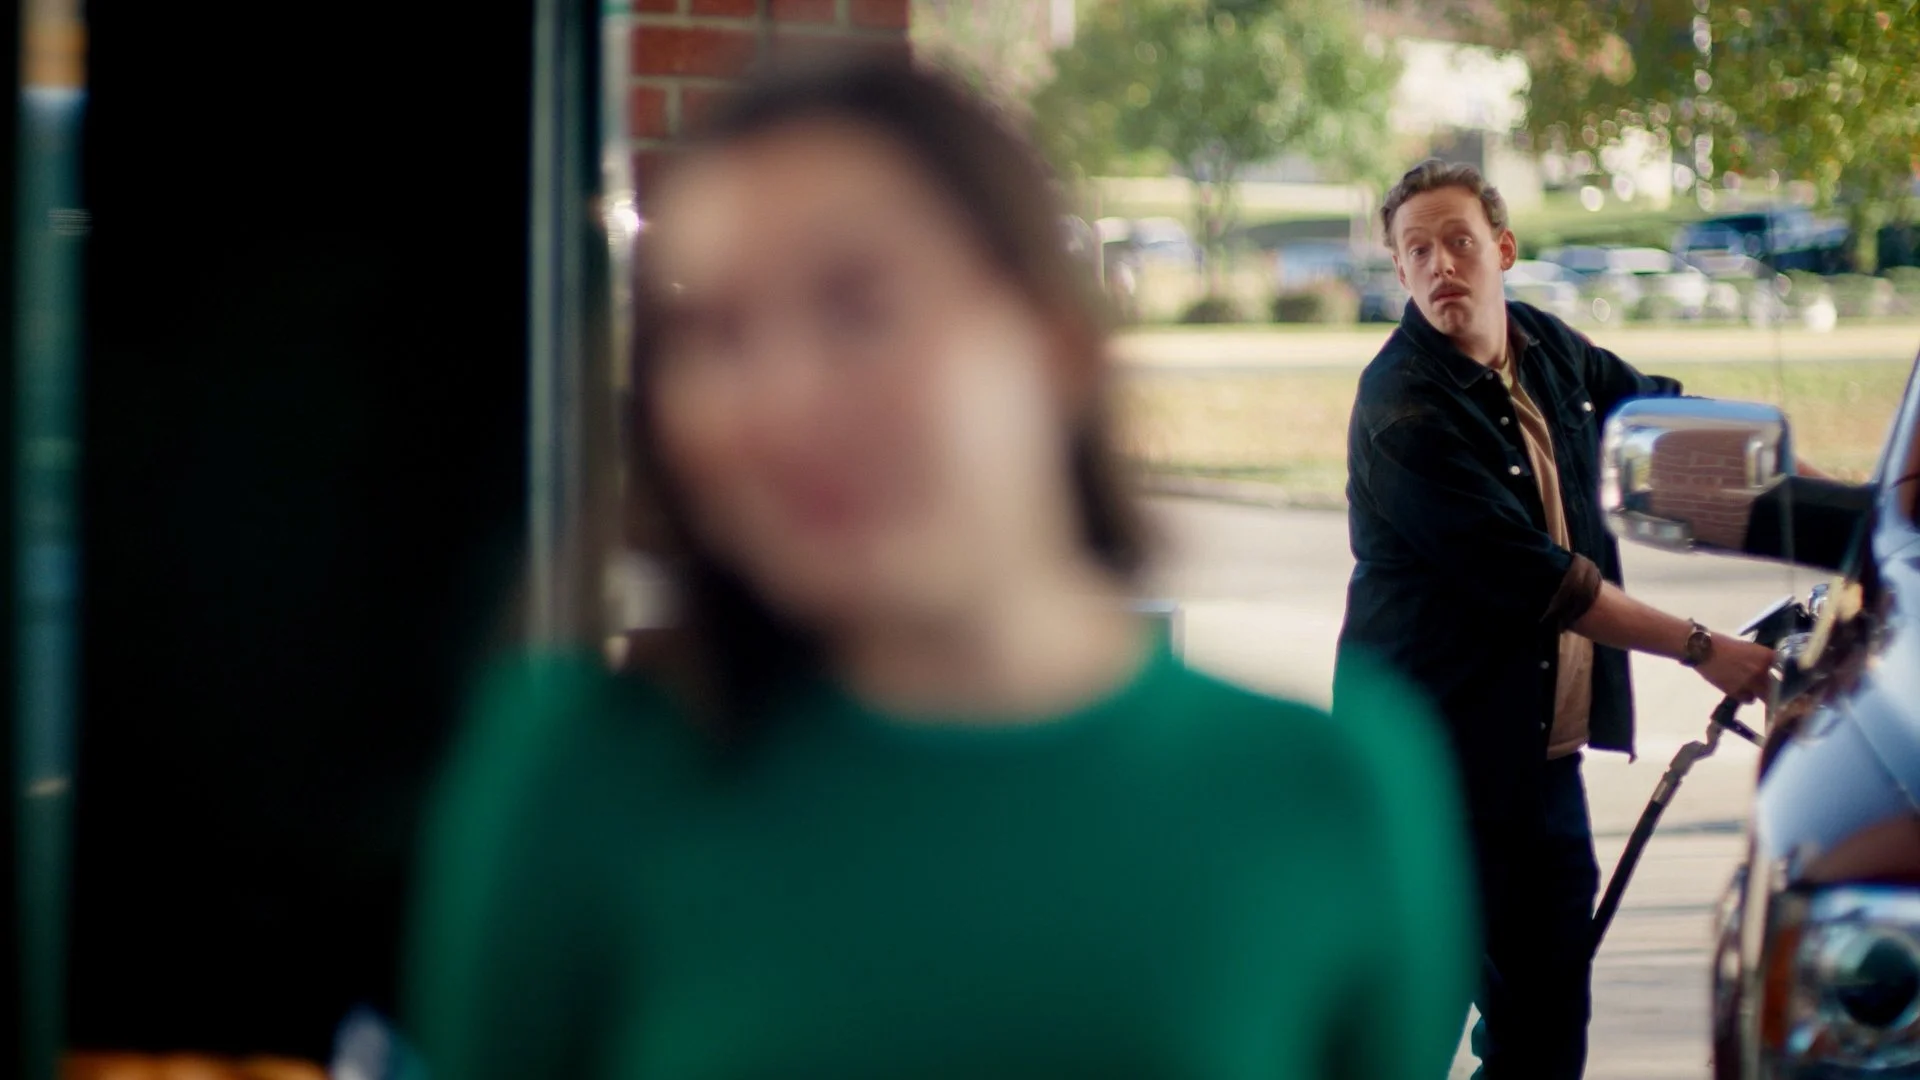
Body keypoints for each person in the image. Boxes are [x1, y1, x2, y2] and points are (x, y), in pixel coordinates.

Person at [406, 61, 1475, 1079]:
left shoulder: (1329, 791)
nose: (775, 401)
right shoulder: (577, 778)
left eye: (857, 305)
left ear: (1056, 345)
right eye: (711, 334)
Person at [1336, 158, 1780, 1079]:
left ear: (1502, 249)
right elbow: (1547, 584)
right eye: (1416, 251)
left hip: (1538, 760)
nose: (1440, 265)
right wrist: (1704, 649)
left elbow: (1665, 423)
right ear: (1399, 270)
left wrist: (1846, 505)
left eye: (1458, 241)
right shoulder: (1402, 409)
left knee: (1543, 1037)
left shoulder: (1543, 346)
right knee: (1407, 1038)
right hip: (1426, 771)